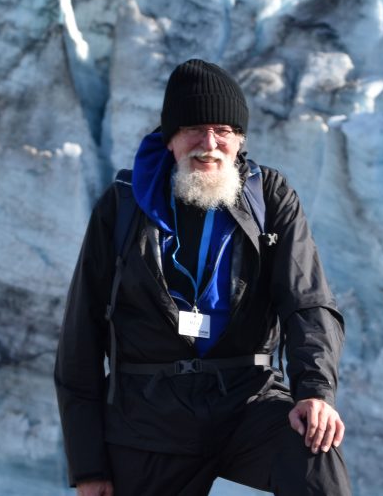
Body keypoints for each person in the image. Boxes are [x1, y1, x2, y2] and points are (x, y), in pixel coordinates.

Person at [55, 59, 352, 496]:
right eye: (193, 129)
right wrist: (88, 466)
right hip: (148, 418)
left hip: (246, 402)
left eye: (223, 131)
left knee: (314, 451)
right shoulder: (121, 206)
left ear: (239, 140)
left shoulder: (270, 197)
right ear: (171, 139)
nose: (209, 143)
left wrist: (314, 391)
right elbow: (80, 339)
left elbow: (307, 301)